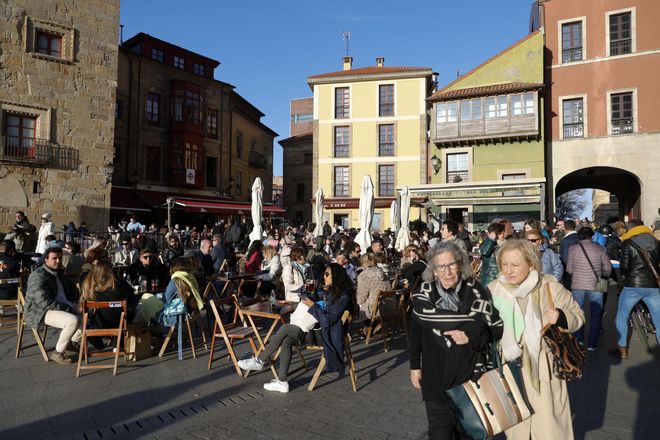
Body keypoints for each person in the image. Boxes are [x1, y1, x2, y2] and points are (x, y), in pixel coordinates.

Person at [489, 239, 584, 440]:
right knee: (517, 429)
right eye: (504, 264)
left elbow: (578, 315)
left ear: (531, 263)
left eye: (515, 265)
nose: (508, 270)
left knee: (549, 428)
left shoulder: (549, 286)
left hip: (543, 369)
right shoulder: (494, 289)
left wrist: (561, 316)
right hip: (508, 369)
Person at [409, 241, 502, 439]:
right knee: (439, 433)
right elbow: (416, 332)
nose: (447, 271)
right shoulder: (423, 295)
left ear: (460, 265)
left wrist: (469, 336)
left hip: (469, 376)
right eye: (441, 267)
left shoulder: (476, 291)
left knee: (469, 432)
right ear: (433, 271)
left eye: (451, 264)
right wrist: (415, 366)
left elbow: (489, 327)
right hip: (435, 376)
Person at [238, 263, 356, 393]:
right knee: (287, 340)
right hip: (320, 332)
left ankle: (259, 360)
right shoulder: (333, 292)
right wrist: (309, 293)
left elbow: (327, 319)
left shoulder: (343, 297)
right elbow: (319, 305)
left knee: (285, 328)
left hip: (327, 337)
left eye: (327, 274)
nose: (324, 277)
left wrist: (312, 305)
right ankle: (282, 382)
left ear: (337, 277)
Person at [611, 219, 660, 358]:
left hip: (633, 285)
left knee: (622, 315)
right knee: (658, 318)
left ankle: (622, 349)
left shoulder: (628, 242)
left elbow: (625, 266)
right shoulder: (655, 241)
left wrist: (624, 278)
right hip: (653, 285)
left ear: (630, 229)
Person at [24, 247, 81, 365]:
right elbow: (44, 302)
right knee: (73, 321)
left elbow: (73, 290)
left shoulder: (60, 273)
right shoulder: (38, 276)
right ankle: (58, 353)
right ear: (46, 260)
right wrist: (69, 308)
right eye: (54, 258)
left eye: (60, 258)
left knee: (88, 313)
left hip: (59, 306)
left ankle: (69, 342)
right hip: (39, 311)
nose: (58, 261)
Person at [565, 227, 611, 351]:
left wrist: (578, 273)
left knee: (578, 311)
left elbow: (569, 269)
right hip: (596, 284)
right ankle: (592, 344)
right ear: (592, 236)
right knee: (596, 314)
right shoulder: (599, 248)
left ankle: (578, 338)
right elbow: (608, 268)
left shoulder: (573, 249)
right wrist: (602, 275)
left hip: (577, 285)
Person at [79, 261, 132, 349]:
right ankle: (118, 343)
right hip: (117, 323)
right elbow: (129, 296)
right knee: (125, 311)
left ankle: (96, 338)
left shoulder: (89, 286)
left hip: (98, 324)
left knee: (95, 311)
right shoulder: (117, 285)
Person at [154, 258, 204, 327]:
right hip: (191, 312)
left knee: (148, 305)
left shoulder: (175, 281)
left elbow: (166, 299)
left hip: (177, 316)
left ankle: (151, 331)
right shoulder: (191, 278)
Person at [356, 252, 390, 319]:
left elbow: (361, 298)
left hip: (374, 311)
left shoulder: (364, 275)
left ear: (364, 263)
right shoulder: (382, 272)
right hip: (388, 306)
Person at [479, 222, 506, 286]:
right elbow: (484, 252)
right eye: (502, 233)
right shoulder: (488, 243)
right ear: (496, 234)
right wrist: (491, 239)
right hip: (490, 280)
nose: (504, 235)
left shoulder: (502, 244)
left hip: (501, 279)